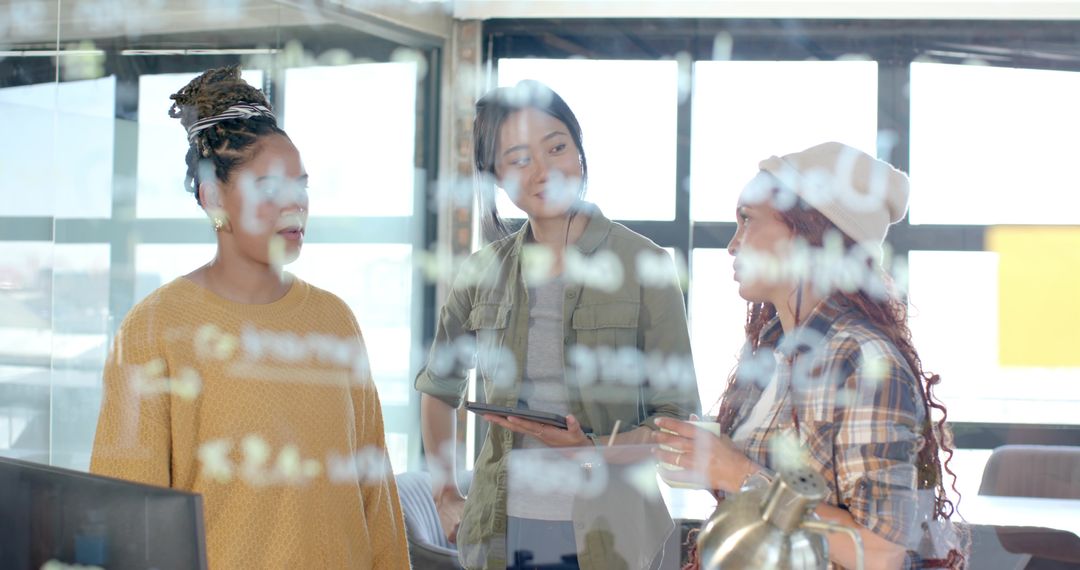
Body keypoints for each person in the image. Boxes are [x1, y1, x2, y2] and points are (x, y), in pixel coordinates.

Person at [90, 66, 409, 569]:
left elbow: (376, 492)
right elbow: (126, 521)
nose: (295, 204)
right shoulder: (154, 329)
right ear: (214, 197)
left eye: (300, 186)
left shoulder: (335, 320)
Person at [415, 80, 701, 569]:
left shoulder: (646, 265)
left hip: (614, 534)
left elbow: (678, 423)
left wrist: (591, 448)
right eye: (520, 158)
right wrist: (445, 491)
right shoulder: (483, 272)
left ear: (580, 151)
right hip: (501, 531)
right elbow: (440, 388)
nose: (545, 171)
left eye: (557, 147)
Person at [654, 142, 961, 570]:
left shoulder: (864, 361)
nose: (732, 244)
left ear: (807, 233)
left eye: (747, 220)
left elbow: (881, 553)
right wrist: (710, 462)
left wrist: (735, 472)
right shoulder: (775, 347)